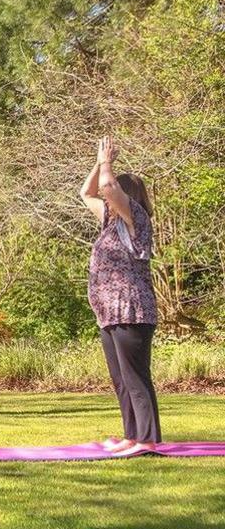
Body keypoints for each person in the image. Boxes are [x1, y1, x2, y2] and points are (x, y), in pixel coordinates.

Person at [78, 137, 160, 456]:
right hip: (109, 313)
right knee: (120, 379)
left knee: (135, 376)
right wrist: (98, 164)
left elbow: (109, 189)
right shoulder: (109, 222)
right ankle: (132, 435)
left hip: (131, 310)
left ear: (130, 196)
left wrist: (107, 162)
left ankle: (147, 439)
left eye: (114, 192)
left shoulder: (136, 219)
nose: (106, 195)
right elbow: (87, 193)